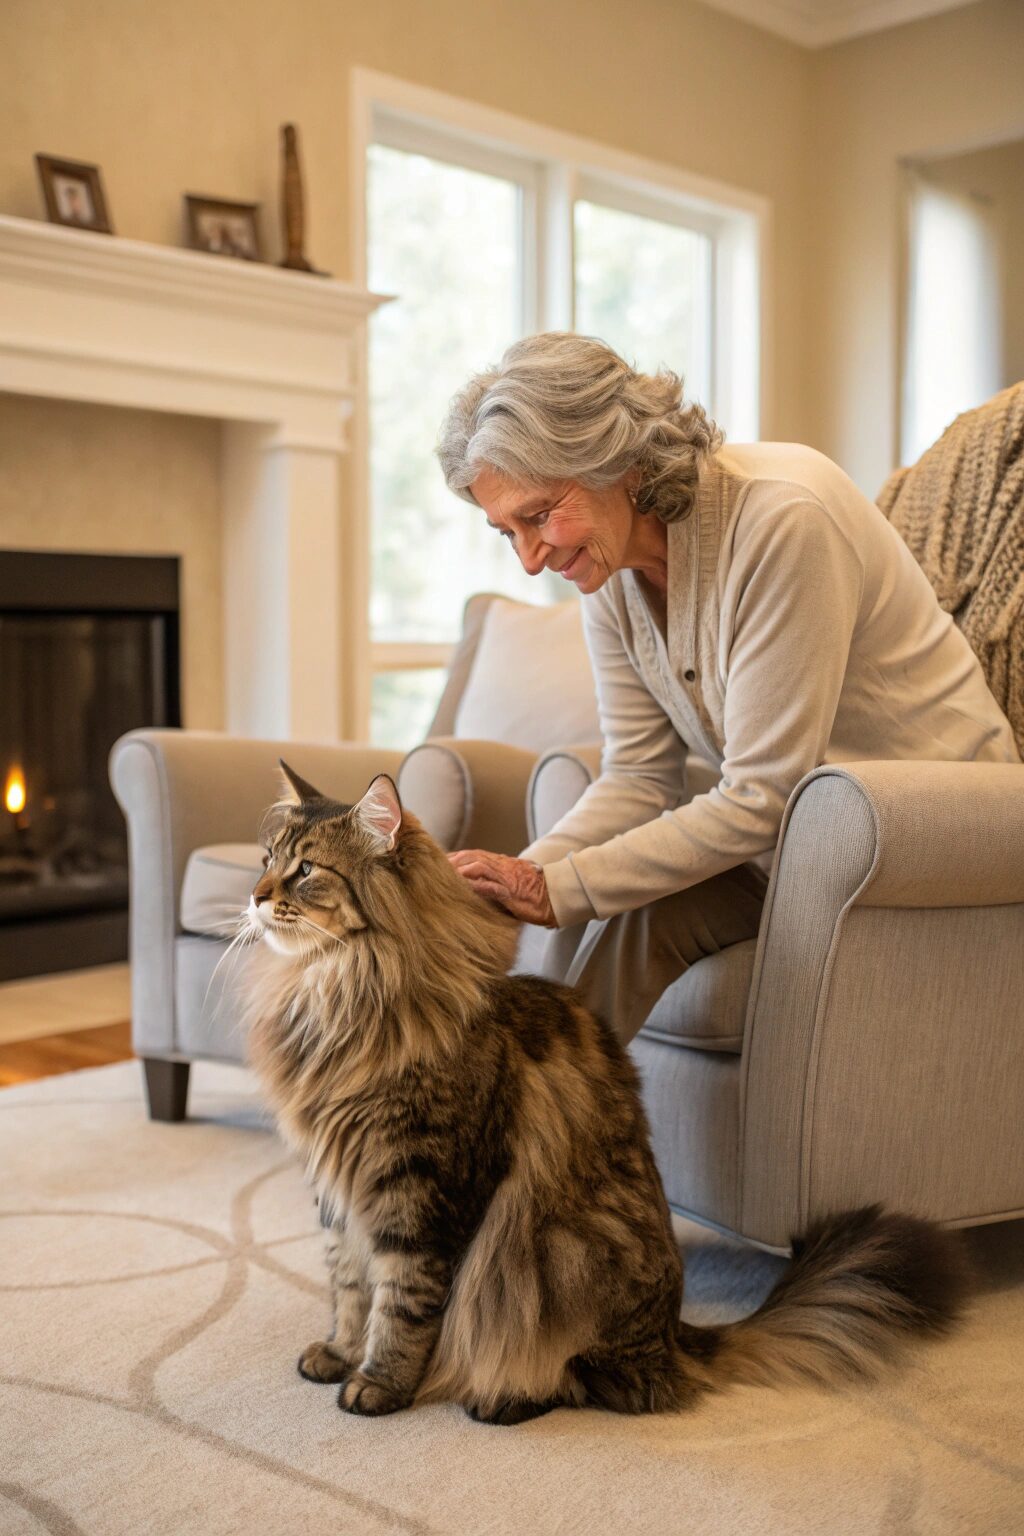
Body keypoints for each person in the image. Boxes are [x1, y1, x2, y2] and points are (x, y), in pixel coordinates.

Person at [438, 332, 1020, 1042]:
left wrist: (560, 887)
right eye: (507, 532)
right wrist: (517, 881)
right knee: (619, 916)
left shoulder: (783, 517)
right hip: (798, 841)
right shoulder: (606, 568)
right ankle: (535, 1130)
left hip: (933, 832)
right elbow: (637, 779)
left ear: (613, 460)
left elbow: (762, 795)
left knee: (597, 898)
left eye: (538, 516)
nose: (530, 559)